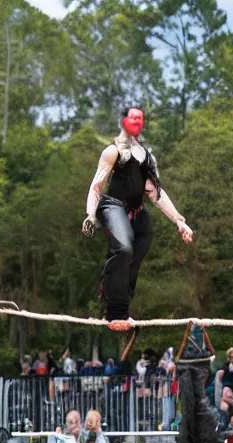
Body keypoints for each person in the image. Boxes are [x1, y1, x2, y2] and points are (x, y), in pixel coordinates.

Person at [82, 107, 193, 331]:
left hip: (136, 211)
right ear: (124, 121)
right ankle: (113, 313)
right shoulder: (112, 152)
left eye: (140, 118)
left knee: (136, 252)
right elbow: (96, 186)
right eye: (133, 117)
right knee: (123, 248)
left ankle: (122, 309)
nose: (137, 121)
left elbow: (156, 193)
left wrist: (179, 221)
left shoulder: (146, 157)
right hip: (112, 206)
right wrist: (90, 215)